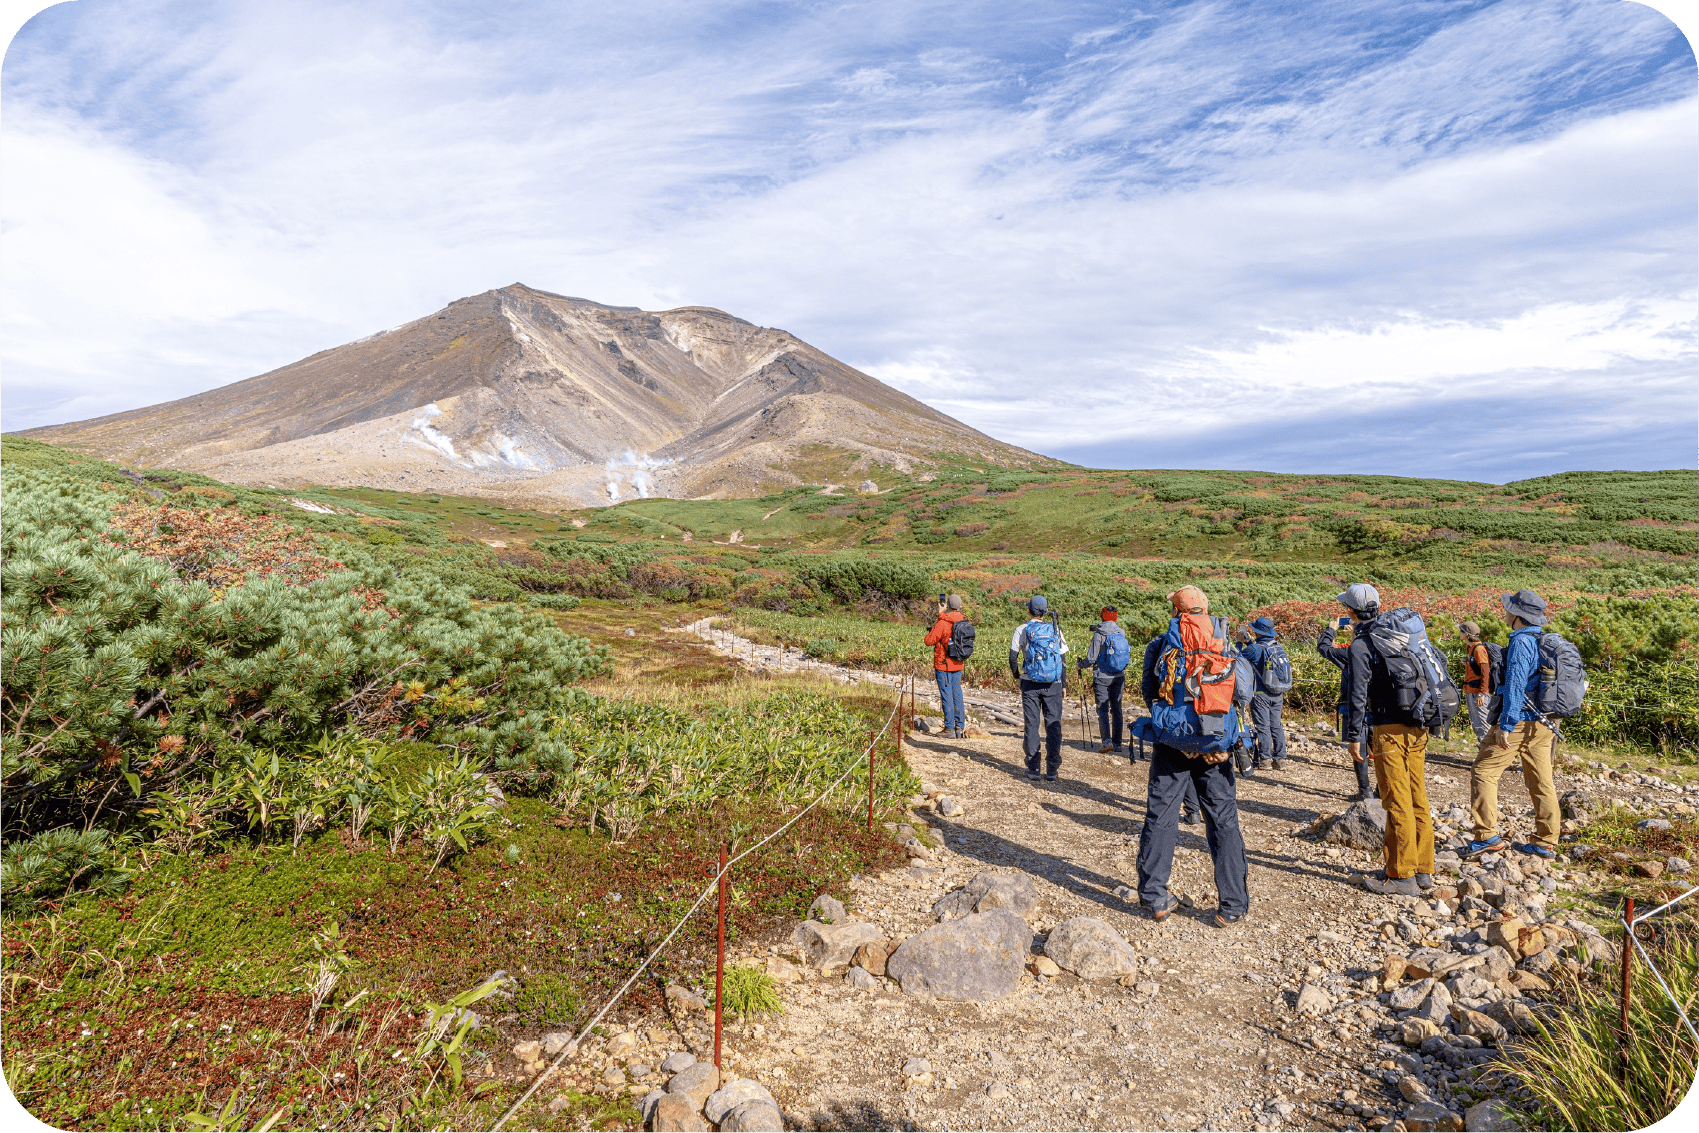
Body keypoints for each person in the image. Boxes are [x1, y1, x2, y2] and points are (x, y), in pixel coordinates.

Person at [1134, 585, 1250, 927]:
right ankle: (1232, 905)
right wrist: (1226, 742)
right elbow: (1243, 694)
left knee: (1162, 816)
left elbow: (1149, 692)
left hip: (1173, 743)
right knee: (1223, 820)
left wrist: (1176, 733)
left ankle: (1156, 897)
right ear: (1205, 609)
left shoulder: (1161, 643)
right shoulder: (1226, 643)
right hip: (1216, 745)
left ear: (1176, 612)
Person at [1341, 583, 1434, 896]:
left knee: (1396, 799)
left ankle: (1402, 875)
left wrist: (1355, 735)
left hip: (1388, 729)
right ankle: (1423, 869)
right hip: (1418, 724)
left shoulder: (1361, 645)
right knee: (1416, 794)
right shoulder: (1400, 635)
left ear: (1351, 612)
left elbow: (1357, 695)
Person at [1465, 590, 1562, 861]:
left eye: (1508, 609)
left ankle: (1487, 837)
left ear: (1517, 616)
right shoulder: (1542, 639)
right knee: (1542, 780)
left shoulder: (1521, 641)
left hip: (1519, 720)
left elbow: (1516, 685)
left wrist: (1505, 724)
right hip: (1543, 722)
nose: (1504, 613)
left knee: (1484, 771)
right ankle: (1545, 841)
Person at [1009, 595, 1069, 782]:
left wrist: (1018, 676)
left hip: (1030, 683)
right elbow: (1063, 659)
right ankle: (1052, 770)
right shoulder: (1054, 628)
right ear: (1045, 611)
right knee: (1053, 725)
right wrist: (1063, 684)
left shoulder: (1022, 630)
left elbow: (1012, 658)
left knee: (1032, 725)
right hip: (1053, 683)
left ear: (1029, 610)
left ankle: (1033, 768)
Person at [1318, 618, 1375, 800]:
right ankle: (1382, 790)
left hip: (1355, 704)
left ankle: (1365, 791)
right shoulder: (1379, 648)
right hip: (1377, 706)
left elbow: (1325, 649)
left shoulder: (1352, 651)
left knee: (1359, 750)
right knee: (1379, 749)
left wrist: (1331, 630)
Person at [1238, 616, 1288, 774]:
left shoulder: (1255, 649)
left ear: (1256, 632)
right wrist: (1250, 643)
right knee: (1276, 726)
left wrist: (1240, 642)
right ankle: (1280, 760)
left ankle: (1265, 760)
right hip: (1278, 693)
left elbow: (1236, 659)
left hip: (1260, 694)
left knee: (1262, 727)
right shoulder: (1277, 647)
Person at [1079, 606, 1130, 753]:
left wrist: (1080, 665)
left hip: (1102, 677)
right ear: (1115, 617)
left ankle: (1107, 742)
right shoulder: (1122, 632)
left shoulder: (1098, 634)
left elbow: (1091, 658)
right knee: (1117, 709)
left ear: (1102, 616)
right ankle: (1118, 744)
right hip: (1119, 676)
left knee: (1102, 709)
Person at [924, 594, 968, 738]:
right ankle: (959, 727)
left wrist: (940, 615)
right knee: (957, 694)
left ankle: (949, 728)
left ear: (948, 605)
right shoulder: (964, 621)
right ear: (960, 606)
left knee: (946, 695)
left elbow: (929, 640)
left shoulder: (943, 622)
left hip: (943, 664)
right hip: (958, 663)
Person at [1459, 621, 1495, 742]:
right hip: (1471, 691)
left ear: (1467, 635)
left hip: (1478, 693)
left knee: (1484, 725)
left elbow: (1486, 672)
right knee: (1477, 725)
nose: (1459, 633)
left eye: (1461, 631)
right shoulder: (1470, 648)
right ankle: (1483, 753)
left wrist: (1482, 693)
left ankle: (1489, 756)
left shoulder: (1479, 649)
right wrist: (1468, 663)